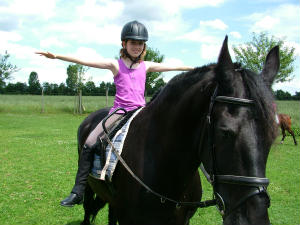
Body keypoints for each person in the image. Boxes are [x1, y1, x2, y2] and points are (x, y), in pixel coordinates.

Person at [36, 20, 194, 207]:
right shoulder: (115, 64)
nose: (137, 47)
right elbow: (85, 60)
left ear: (144, 46)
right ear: (124, 44)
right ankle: (78, 191)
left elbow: (174, 67)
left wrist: (200, 68)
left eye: (140, 43)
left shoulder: (146, 65)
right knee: (88, 144)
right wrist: (57, 56)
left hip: (141, 112)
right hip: (119, 113)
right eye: (133, 43)